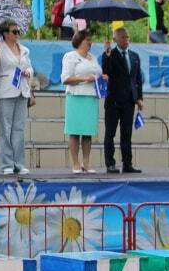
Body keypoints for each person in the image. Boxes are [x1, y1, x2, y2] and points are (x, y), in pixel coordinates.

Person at [0, 20, 34, 175]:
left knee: (19, 129)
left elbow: (29, 66)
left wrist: (28, 72)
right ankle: (7, 163)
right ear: (5, 33)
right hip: (6, 91)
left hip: (22, 90)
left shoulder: (24, 49)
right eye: (14, 31)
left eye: (18, 31)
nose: (17, 34)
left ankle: (19, 163)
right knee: (5, 129)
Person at [102, 26, 145, 174]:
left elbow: (137, 79)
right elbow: (106, 71)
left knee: (127, 133)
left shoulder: (134, 56)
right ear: (115, 40)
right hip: (114, 100)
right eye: (123, 37)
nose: (126, 40)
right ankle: (110, 163)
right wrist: (107, 54)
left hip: (129, 100)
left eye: (127, 37)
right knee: (110, 133)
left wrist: (139, 98)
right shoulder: (110, 54)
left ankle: (127, 163)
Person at [61, 29, 103, 173]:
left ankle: (86, 161)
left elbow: (97, 73)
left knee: (87, 131)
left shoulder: (93, 58)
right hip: (76, 96)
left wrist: (102, 78)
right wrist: (84, 78)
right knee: (75, 131)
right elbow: (65, 78)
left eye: (91, 40)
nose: (90, 43)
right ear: (79, 41)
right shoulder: (70, 57)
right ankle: (75, 163)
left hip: (91, 97)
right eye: (87, 40)